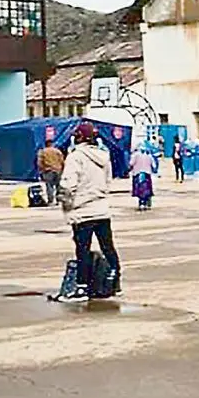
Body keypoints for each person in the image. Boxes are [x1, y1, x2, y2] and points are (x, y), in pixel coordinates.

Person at [57, 121, 121, 302]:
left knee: (82, 250)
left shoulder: (75, 157)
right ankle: (114, 281)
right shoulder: (104, 156)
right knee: (108, 246)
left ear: (78, 138)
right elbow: (108, 182)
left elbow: (68, 185)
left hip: (82, 210)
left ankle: (82, 287)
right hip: (102, 208)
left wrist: (67, 205)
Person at [37, 138, 65, 206]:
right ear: (52, 144)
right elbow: (62, 161)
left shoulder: (43, 152)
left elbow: (39, 162)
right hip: (58, 170)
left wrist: (41, 170)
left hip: (48, 170)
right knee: (58, 186)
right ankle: (59, 200)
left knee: (49, 186)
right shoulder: (57, 151)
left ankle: (51, 201)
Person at [129, 144, 157, 210]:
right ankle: (146, 202)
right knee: (147, 189)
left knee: (138, 189)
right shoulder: (149, 156)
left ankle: (141, 202)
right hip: (147, 173)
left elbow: (131, 163)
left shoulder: (135, 155)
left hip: (137, 173)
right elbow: (154, 165)